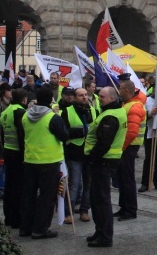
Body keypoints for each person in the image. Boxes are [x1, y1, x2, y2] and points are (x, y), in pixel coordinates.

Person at [18, 86, 69, 239]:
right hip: (49, 161)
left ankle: (25, 228)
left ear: (37, 99)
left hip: (30, 160)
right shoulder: (53, 118)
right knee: (47, 197)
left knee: (28, 195)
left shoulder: (26, 116)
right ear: (51, 100)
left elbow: (22, 136)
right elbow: (64, 136)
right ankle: (40, 229)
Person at [83, 86, 127, 248]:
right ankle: (99, 231)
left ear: (111, 98)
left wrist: (92, 158)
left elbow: (103, 143)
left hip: (103, 161)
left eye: (102, 97)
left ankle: (105, 236)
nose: (99, 99)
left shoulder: (110, 116)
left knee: (101, 201)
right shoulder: (113, 111)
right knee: (97, 199)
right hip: (105, 160)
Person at [61, 87, 96, 224]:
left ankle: (84, 210)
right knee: (74, 184)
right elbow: (64, 132)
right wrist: (80, 132)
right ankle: (68, 212)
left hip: (89, 152)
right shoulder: (67, 112)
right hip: (74, 152)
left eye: (85, 95)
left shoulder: (93, 110)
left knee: (88, 184)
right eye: (80, 95)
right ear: (75, 98)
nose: (84, 97)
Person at [115, 75, 146, 221]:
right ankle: (124, 207)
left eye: (120, 88)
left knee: (127, 179)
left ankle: (130, 210)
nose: (118, 90)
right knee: (123, 178)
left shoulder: (134, 106)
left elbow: (132, 132)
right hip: (127, 146)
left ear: (127, 90)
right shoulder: (128, 103)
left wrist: (121, 147)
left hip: (129, 146)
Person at [0, 88, 28, 228]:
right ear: (24, 100)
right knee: (18, 187)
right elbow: (22, 135)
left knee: (9, 186)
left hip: (8, 150)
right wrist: (25, 155)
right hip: (17, 153)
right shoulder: (20, 112)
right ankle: (16, 218)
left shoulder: (5, 112)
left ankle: (8, 217)